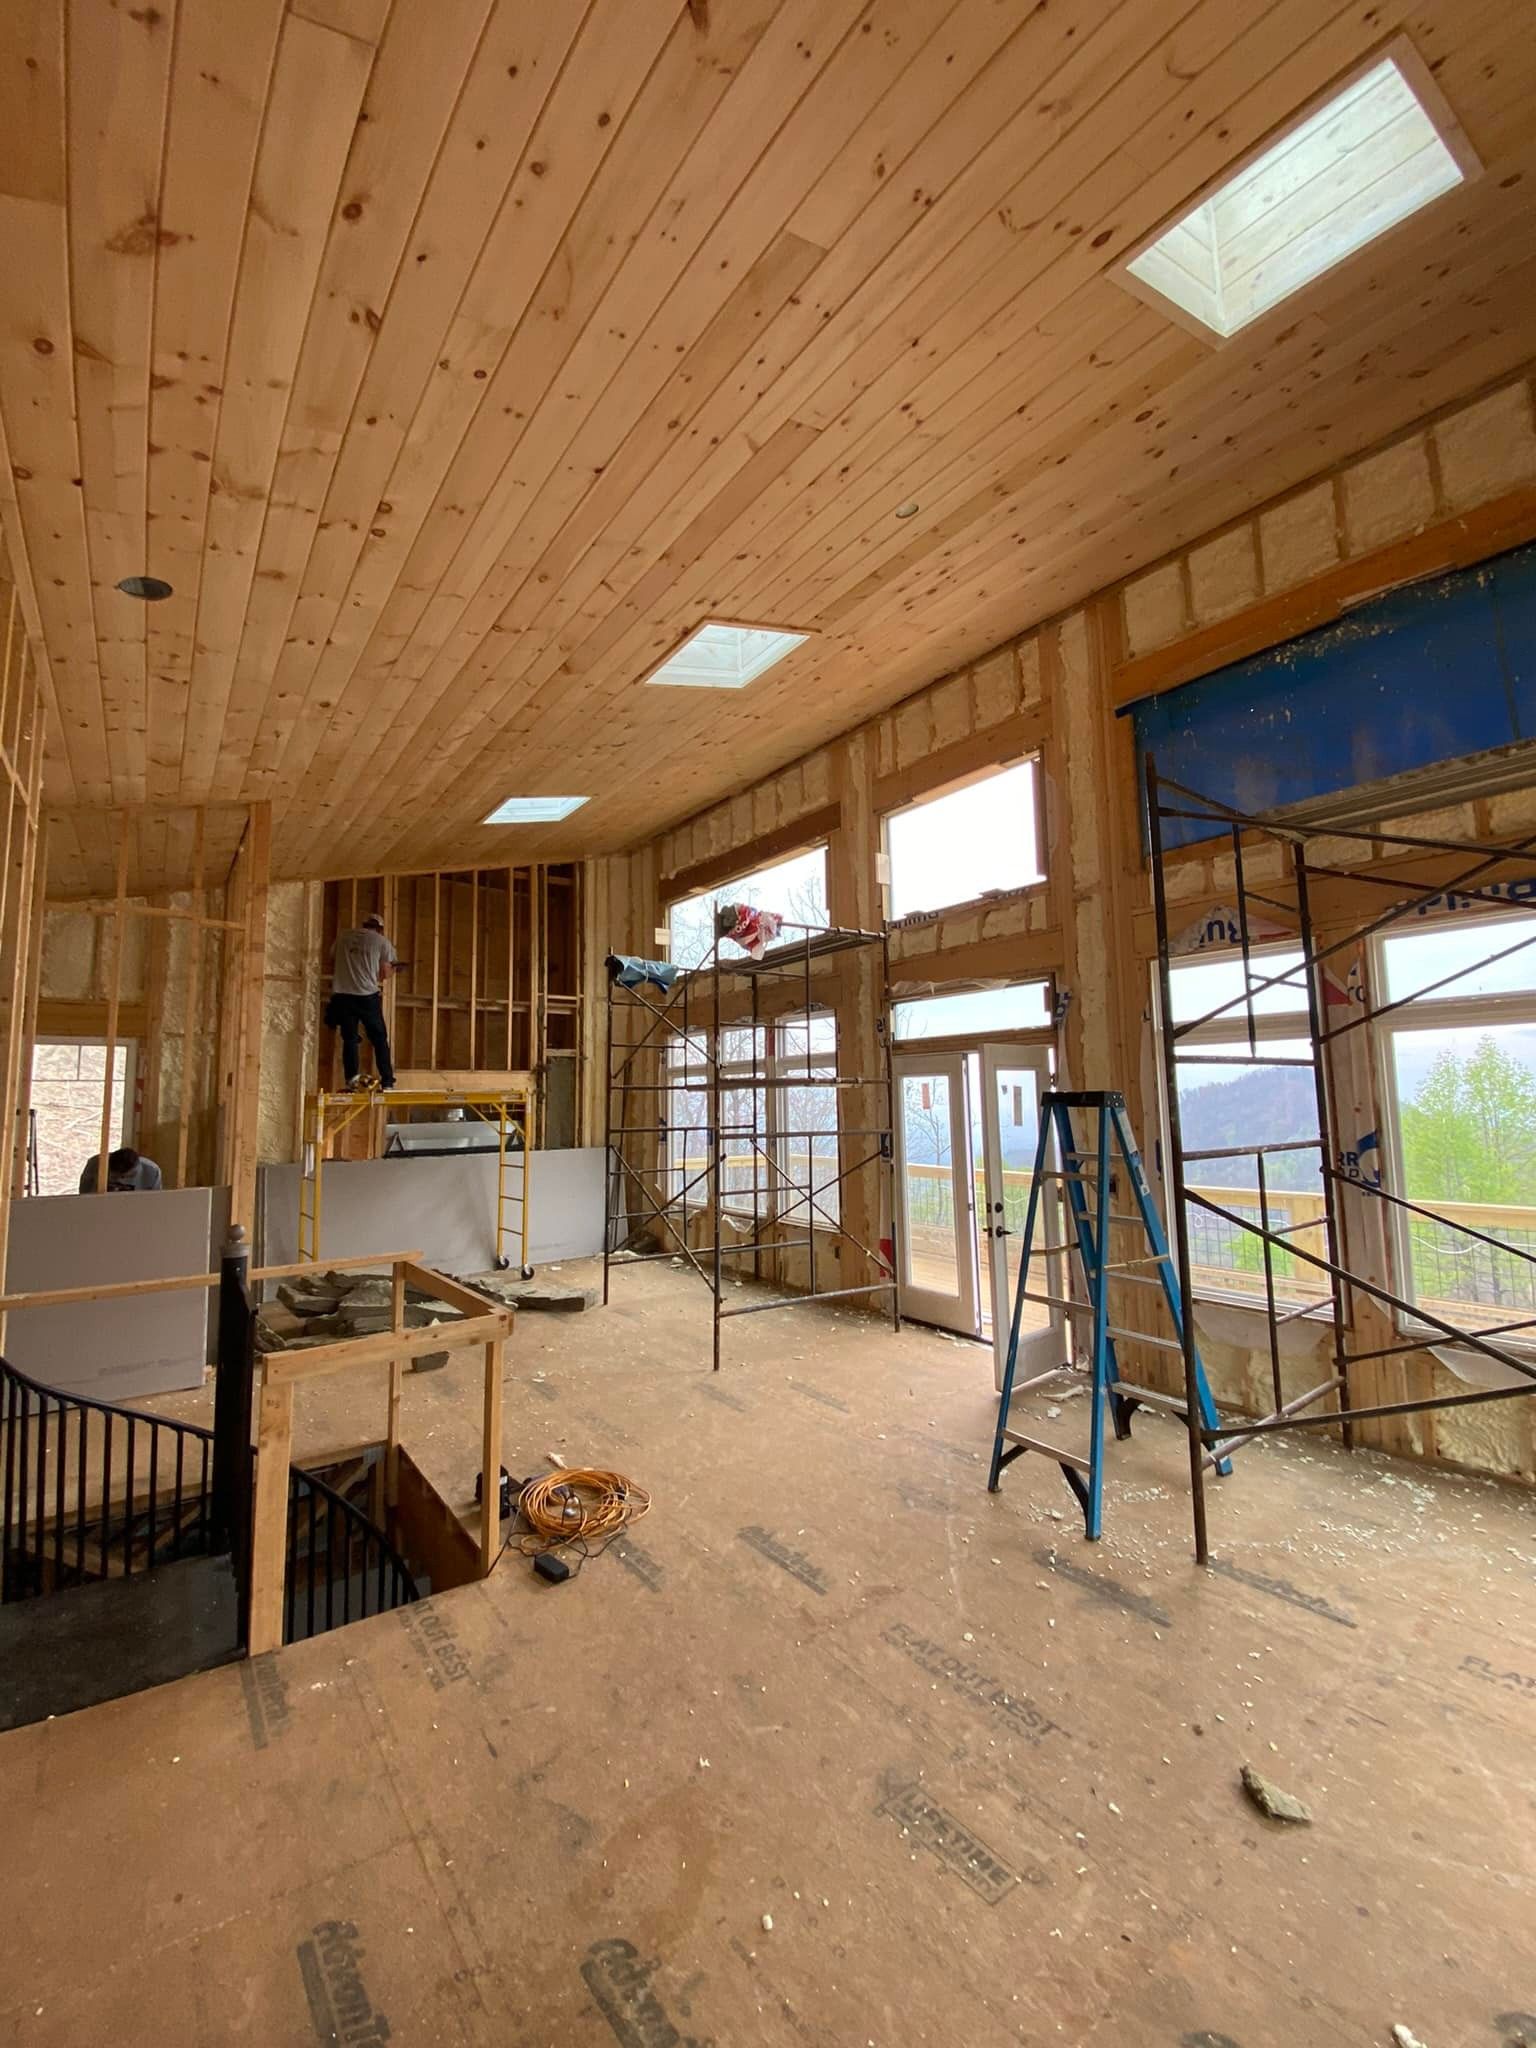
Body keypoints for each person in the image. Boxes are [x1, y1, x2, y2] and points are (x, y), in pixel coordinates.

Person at [328, 911, 400, 1092]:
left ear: (364, 924)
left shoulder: (343, 937)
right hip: (367, 996)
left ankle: (351, 1082)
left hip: (342, 996)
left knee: (350, 1039)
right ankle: (387, 1082)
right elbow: (384, 973)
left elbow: (332, 958)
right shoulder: (381, 942)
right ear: (380, 929)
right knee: (379, 1039)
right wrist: (394, 970)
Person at [79, 1146, 162, 1193]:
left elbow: (154, 1200)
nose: (119, 1179)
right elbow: (84, 1192)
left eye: (123, 1177)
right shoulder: (96, 1163)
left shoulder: (152, 1171)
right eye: (115, 1176)